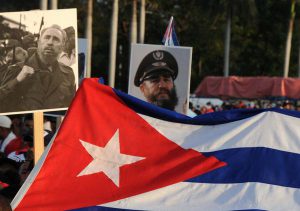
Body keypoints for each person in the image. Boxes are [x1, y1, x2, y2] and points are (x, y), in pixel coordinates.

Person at [0, 24, 76, 113]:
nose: (50, 42)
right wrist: (17, 80)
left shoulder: (68, 73)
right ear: (39, 42)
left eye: (56, 39)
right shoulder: (16, 70)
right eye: (47, 37)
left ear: (62, 46)